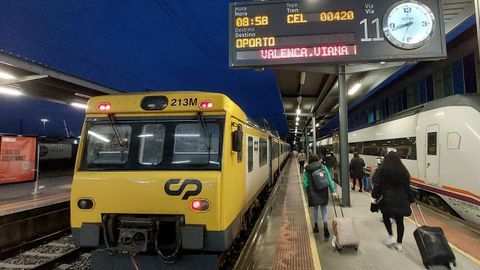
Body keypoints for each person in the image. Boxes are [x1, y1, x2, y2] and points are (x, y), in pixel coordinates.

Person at [372, 151, 415, 252]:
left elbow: (376, 184)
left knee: (386, 217)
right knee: (400, 221)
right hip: (401, 200)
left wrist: (374, 198)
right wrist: (412, 199)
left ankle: (391, 236)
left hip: (387, 199)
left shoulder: (382, 169)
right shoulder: (403, 170)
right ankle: (399, 244)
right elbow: (407, 187)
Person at [303, 154, 338, 239]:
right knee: (324, 208)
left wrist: (306, 191)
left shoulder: (307, 169)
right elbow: (329, 179)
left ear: (310, 160)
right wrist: (333, 191)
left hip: (312, 192)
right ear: (318, 159)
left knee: (315, 209)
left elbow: (305, 183)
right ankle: (325, 225)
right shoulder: (323, 167)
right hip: (323, 190)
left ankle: (316, 227)